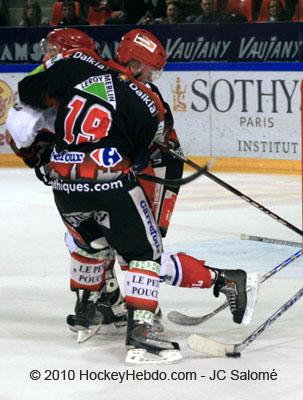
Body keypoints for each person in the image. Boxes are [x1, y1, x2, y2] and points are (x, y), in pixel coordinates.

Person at [6, 32, 253, 364]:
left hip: (65, 181)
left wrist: (42, 156)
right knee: (142, 253)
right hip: (114, 176)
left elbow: (29, 116)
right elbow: (136, 154)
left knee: (88, 244)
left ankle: (89, 312)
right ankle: (143, 331)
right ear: (135, 64)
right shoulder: (146, 98)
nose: (152, 76)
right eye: (150, 69)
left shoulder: (76, 78)